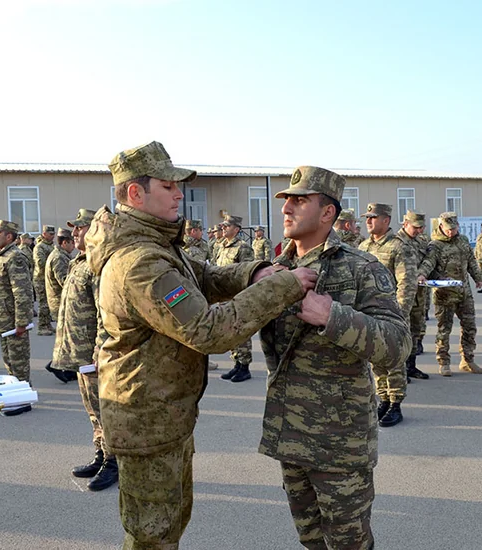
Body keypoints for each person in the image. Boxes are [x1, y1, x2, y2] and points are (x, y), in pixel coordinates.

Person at [86, 141, 316, 549]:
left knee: (168, 525)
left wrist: (255, 273)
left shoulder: (157, 246)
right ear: (135, 193)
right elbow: (209, 330)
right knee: (152, 537)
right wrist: (282, 286)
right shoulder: (141, 262)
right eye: (168, 186)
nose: (179, 194)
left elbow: (204, 277)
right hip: (147, 422)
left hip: (163, 415)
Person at [260, 166, 411, 549]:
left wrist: (333, 317)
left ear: (328, 213)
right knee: (310, 539)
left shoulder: (361, 268)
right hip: (290, 434)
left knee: (349, 543)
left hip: (340, 443)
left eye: (299, 200)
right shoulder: (276, 269)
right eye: (286, 200)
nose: (286, 208)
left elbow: (397, 345)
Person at [52, 208, 118, 491]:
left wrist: (98, 355)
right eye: (75, 229)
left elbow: (106, 315)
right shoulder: (79, 262)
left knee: (107, 412)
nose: (74, 233)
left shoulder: (99, 266)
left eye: (80, 228)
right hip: (79, 355)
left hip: (94, 357)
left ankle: (114, 463)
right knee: (94, 412)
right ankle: (101, 454)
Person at [358, 203, 417, 427]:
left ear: (386, 220)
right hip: (369, 313)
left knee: (394, 359)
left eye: (373, 217)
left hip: (391, 314)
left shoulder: (398, 247)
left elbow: (407, 282)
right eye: (367, 217)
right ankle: (383, 398)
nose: (369, 221)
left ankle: (396, 404)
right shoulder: (364, 246)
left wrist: (399, 314)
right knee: (375, 358)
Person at [417, 212, 482, 375]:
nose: (451, 232)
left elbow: (471, 261)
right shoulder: (435, 245)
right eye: (448, 229)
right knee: (444, 330)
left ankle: (468, 360)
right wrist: (421, 274)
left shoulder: (463, 241)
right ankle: (443, 362)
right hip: (444, 294)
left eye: (453, 229)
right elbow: (428, 263)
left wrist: (478, 278)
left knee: (470, 327)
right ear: (441, 226)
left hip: (464, 293)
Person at [0, 220, 35, 416]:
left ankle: (23, 400)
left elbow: (22, 292)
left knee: (18, 361)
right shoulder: (1, 256)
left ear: (9, 236)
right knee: (9, 359)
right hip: (3, 319)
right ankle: (16, 396)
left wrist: (22, 322)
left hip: (13, 320)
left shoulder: (15, 257)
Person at [215, 214, 256, 382]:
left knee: (241, 330)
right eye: (223, 226)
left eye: (227, 226)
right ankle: (236, 363)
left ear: (236, 229)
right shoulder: (221, 246)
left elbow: (247, 272)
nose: (223, 228)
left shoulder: (243, 247)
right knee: (230, 330)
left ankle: (245, 367)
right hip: (223, 295)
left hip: (237, 296)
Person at [397, 211, 431, 379]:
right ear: (405, 224)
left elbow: (429, 260)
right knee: (400, 332)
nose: (419, 231)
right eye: (415, 227)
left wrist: (423, 272)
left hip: (418, 296)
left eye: (421, 227)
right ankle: (398, 371)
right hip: (400, 296)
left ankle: (411, 366)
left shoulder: (421, 242)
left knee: (415, 331)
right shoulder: (396, 243)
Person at [45, 228, 74, 322]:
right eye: (72, 243)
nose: (74, 246)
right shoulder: (59, 258)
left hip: (62, 302)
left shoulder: (62, 255)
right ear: (65, 243)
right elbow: (65, 282)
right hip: (61, 303)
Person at [33, 224, 56, 335]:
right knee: (43, 304)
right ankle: (41, 327)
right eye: (50, 234)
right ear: (44, 234)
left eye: (53, 234)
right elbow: (40, 263)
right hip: (41, 279)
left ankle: (47, 324)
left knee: (48, 303)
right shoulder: (40, 247)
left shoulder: (51, 246)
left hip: (48, 279)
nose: (52, 236)